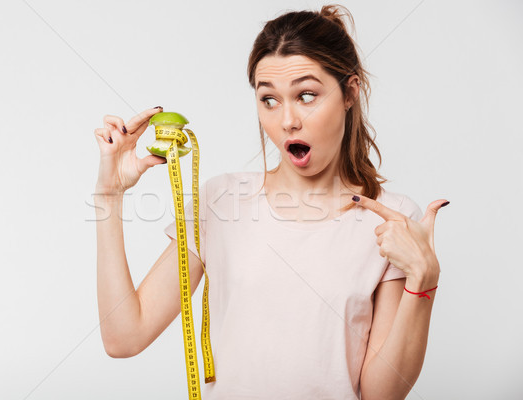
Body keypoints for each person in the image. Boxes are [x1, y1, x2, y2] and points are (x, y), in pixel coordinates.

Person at [92, 4, 449, 399]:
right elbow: (123, 337)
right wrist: (109, 194)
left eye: (307, 95)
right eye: (269, 100)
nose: (287, 121)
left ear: (350, 92)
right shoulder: (221, 201)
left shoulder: (393, 222)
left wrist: (424, 282)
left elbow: (382, 394)